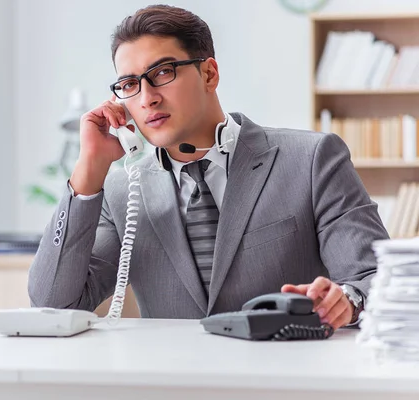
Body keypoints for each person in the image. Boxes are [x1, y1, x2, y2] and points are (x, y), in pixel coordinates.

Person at [28, 4, 389, 330]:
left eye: (163, 72)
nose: (147, 96)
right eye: (129, 84)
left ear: (209, 74)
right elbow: (53, 305)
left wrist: (347, 301)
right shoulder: (122, 192)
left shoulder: (311, 159)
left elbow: (377, 280)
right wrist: (88, 172)